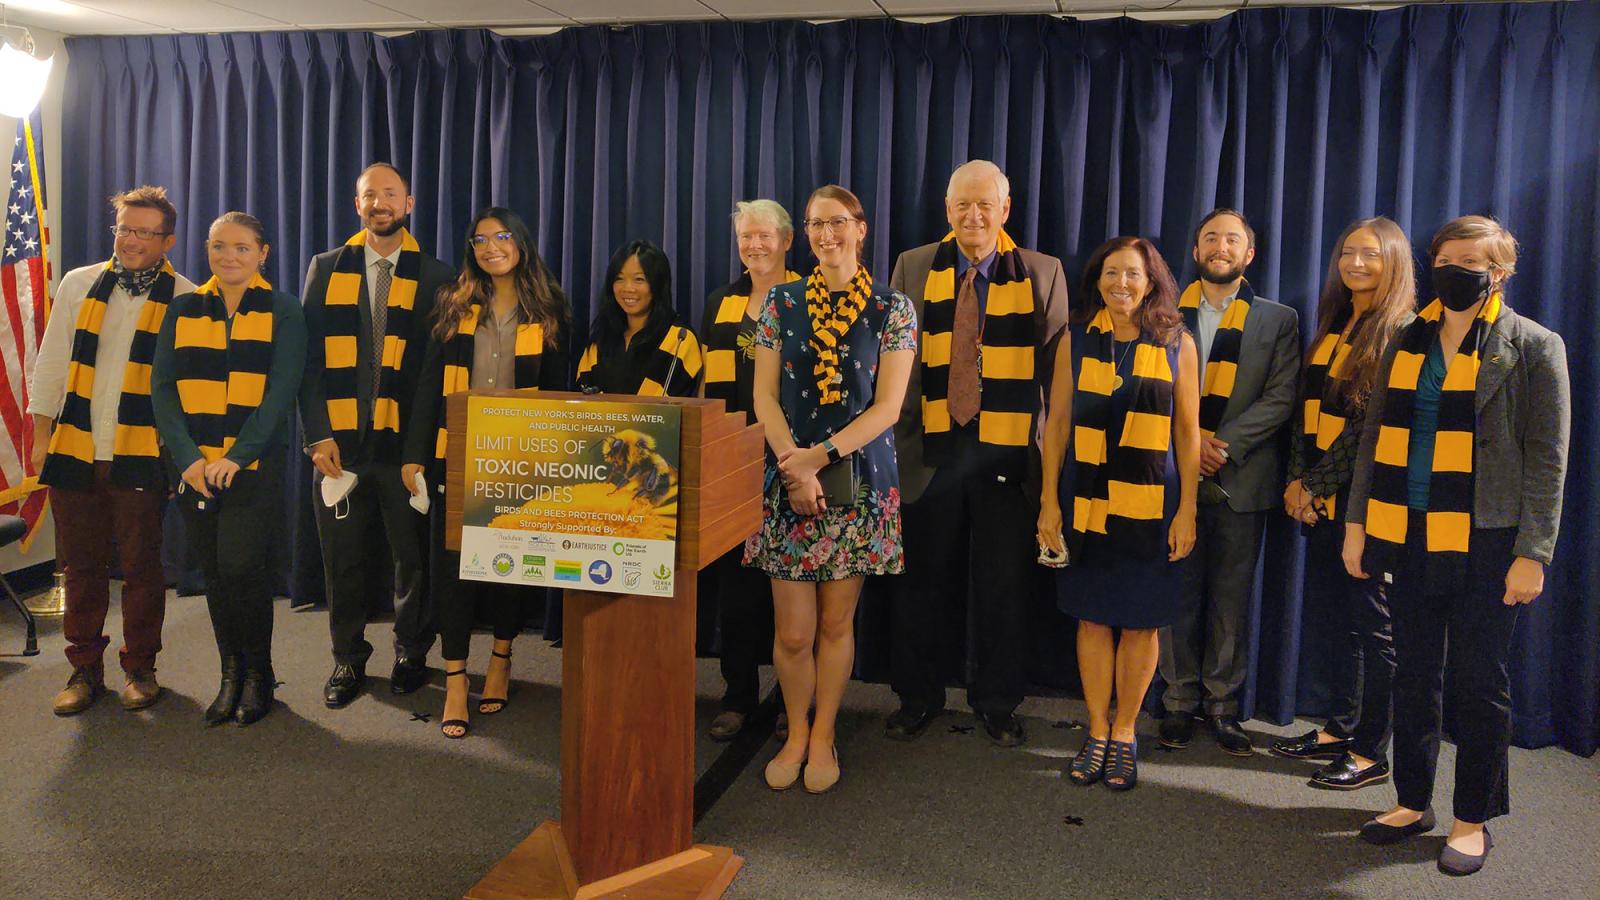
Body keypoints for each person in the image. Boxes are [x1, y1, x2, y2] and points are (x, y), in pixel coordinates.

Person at [1344, 215, 1569, 876]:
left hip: (1490, 542)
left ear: (1500, 271)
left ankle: (1473, 818)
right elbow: (1372, 440)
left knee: (1478, 681)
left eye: (1471, 261)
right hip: (1406, 531)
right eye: (1446, 259)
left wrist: (1535, 553)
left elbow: (1547, 461)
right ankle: (1412, 801)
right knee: (1414, 674)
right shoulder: (1405, 340)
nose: (1456, 270)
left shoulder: (1533, 346)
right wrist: (1358, 524)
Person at [885, 160, 1070, 747]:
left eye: (984, 204)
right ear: (947, 210)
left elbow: (1054, 379)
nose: (973, 215)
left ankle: (996, 701)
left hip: (1007, 455)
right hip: (930, 450)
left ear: (1005, 209)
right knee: (922, 585)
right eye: (962, 204)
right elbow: (896, 364)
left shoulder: (1043, 273)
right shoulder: (913, 266)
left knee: (1002, 589)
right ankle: (918, 696)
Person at [745, 185, 917, 794]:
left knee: (835, 625)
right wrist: (795, 467)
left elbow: (889, 406)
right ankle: (795, 730)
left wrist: (819, 458)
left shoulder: (893, 309)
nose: (827, 235)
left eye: (838, 223)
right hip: (785, 478)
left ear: (861, 229)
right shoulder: (779, 303)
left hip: (857, 481)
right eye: (817, 224)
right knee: (791, 632)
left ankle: (824, 736)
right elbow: (763, 394)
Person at [402, 207, 571, 739]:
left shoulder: (548, 308)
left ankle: (501, 658)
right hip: (457, 452)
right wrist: (413, 454)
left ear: (520, 241)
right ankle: (456, 678)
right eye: (480, 240)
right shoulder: (455, 304)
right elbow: (430, 385)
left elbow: (561, 391)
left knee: (509, 568)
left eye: (501, 236)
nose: (490, 247)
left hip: (522, 458)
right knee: (449, 570)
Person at [1038, 236, 1199, 791]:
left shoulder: (1177, 341)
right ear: (1097, 280)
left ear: (1151, 280)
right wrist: (1048, 502)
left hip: (1154, 504)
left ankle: (1126, 731)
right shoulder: (1075, 339)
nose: (1121, 284)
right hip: (1084, 498)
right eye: (1111, 273)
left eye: (1132, 273)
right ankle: (1098, 729)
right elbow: (1056, 423)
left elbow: (1187, 432)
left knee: (1140, 622)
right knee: (1092, 617)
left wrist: (1189, 513)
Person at [30, 185, 197, 715]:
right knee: (80, 567)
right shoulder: (80, 284)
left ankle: (140, 667)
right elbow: (53, 362)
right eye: (125, 228)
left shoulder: (188, 297)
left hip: (142, 453)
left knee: (142, 567)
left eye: (146, 232)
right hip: (76, 449)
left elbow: (189, 389)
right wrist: (40, 436)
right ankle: (83, 669)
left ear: (167, 240)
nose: (131, 240)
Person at [299, 162, 455, 708]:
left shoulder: (437, 276)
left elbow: (435, 377)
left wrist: (418, 451)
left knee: (410, 558)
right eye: (370, 195)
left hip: (402, 448)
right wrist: (317, 436)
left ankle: (412, 650)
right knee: (342, 559)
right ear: (356, 203)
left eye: (390, 194)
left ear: (408, 204)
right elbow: (307, 364)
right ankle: (347, 657)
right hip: (338, 446)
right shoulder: (325, 268)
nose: (380, 203)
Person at [1269, 218, 1414, 788]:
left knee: (1375, 627)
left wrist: (1316, 485)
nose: (1355, 263)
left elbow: (1367, 431)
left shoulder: (1399, 328)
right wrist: (1296, 479)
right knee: (1342, 622)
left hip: (1365, 505)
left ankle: (1373, 750)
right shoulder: (1337, 319)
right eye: (1348, 253)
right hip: (1322, 499)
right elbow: (1305, 415)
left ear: (1394, 262)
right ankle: (1339, 729)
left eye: (1370, 255)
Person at [151, 211, 306, 726]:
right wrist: (190, 459)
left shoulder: (284, 309)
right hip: (194, 468)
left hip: (253, 466)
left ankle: (260, 675)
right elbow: (163, 390)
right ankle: (230, 674)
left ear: (262, 253)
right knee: (215, 574)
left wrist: (235, 458)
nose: (229, 256)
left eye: (242, 247)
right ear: (207, 250)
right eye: (219, 246)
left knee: (244, 568)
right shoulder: (183, 308)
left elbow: (280, 393)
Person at [1156, 209, 1300, 755]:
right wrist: (1188, 447)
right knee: (1178, 591)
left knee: (1231, 599)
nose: (1220, 246)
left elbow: (1282, 396)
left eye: (1232, 239)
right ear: (1195, 251)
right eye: (1210, 238)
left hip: (1242, 477)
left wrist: (1224, 444)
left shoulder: (1278, 319)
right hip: (1174, 476)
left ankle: (1222, 705)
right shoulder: (1164, 315)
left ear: (1249, 254)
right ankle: (1176, 700)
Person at [699, 200, 799, 742]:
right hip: (732, 465)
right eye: (745, 237)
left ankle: (790, 697)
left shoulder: (810, 298)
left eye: (764, 235)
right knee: (737, 594)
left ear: (787, 240)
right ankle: (738, 695)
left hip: (792, 464)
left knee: (791, 590)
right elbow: (710, 390)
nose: (754, 245)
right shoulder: (721, 302)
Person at [575, 240, 702, 397]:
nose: (628, 288)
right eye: (619, 278)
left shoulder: (679, 339)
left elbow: (667, 409)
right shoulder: (601, 339)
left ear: (658, 284)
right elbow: (583, 397)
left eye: (639, 279)